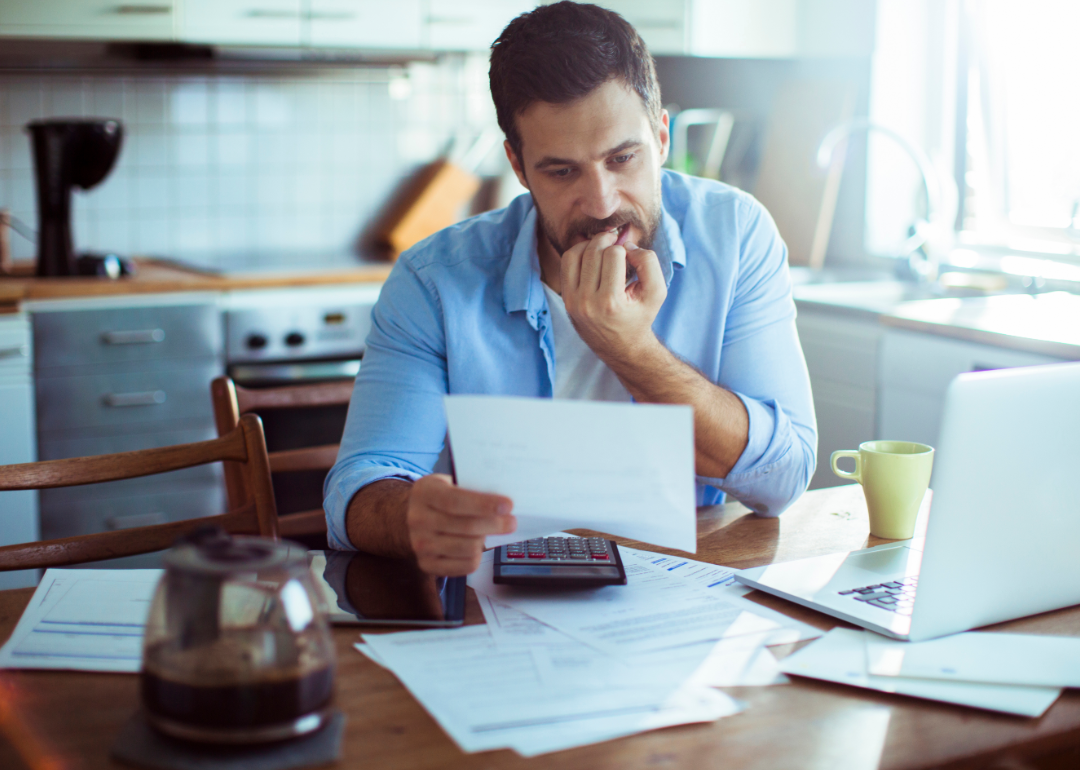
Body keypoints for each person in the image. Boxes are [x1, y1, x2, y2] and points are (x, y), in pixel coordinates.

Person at [324, 1, 817, 576]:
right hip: (501, 599)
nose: (602, 202)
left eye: (622, 158)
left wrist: (631, 349)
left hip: (684, 585)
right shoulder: (435, 280)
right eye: (561, 172)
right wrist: (409, 515)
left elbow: (782, 481)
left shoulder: (735, 235)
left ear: (660, 135)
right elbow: (355, 493)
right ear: (518, 165)